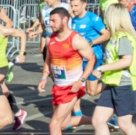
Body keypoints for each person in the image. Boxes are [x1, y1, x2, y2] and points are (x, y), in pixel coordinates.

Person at [38, 7, 96, 135]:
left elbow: (91, 59)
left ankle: (98, 121)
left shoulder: (76, 39)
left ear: (64, 20)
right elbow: (48, 60)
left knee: (54, 125)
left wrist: (81, 80)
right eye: (49, 21)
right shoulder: (50, 39)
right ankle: (97, 120)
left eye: (54, 21)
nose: (50, 24)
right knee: (64, 124)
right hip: (58, 86)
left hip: (72, 87)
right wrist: (43, 77)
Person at [90, 4, 136, 135]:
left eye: (106, 16)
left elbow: (126, 61)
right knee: (98, 120)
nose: (104, 19)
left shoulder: (123, 37)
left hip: (126, 84)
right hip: (113, 82)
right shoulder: (115, 37)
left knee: (125, 124)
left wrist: (101, 68)